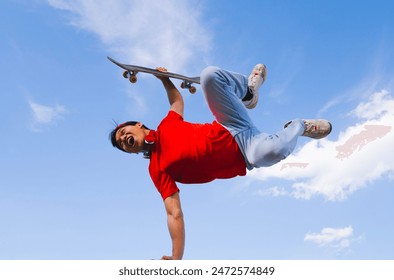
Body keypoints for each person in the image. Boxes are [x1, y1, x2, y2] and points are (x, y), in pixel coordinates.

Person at [109, 64, 332, 260]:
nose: (123, 140)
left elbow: (176, 102)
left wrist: (164, 79)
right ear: (130, 151)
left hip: (229, 122)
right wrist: (177, 256)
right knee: (275, 150)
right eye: (122, 144)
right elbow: (173, 212)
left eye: (123, 133)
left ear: (138, 125)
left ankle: (248, 92)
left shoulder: (167, 124)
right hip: (247, 151)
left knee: (209, 75)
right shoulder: (157, 168)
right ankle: (299, 126)